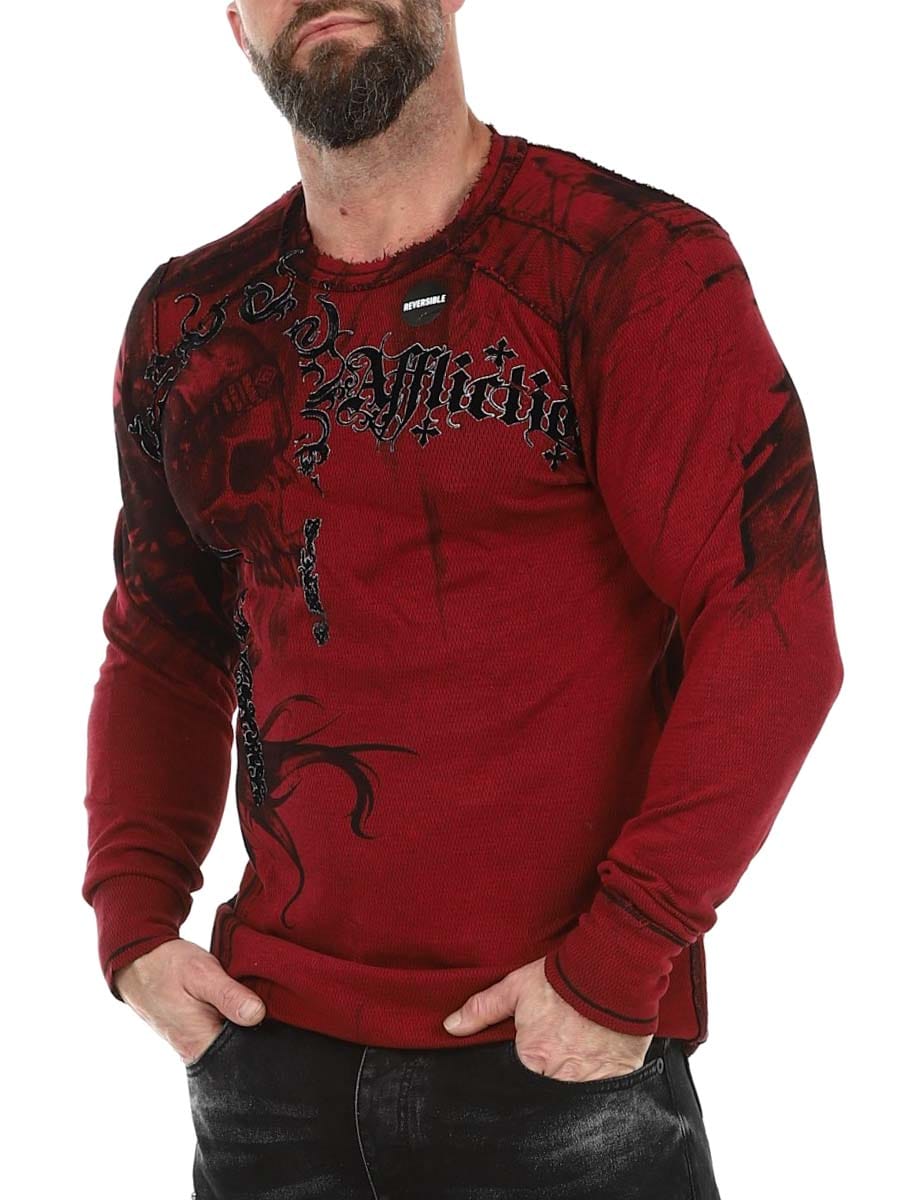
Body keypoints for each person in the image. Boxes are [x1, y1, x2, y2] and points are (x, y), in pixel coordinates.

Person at [81, 2, 844, 1197]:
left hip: (555, 1064)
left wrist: (621, 960)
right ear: (235, 21)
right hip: (269, 1070)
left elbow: (772, 627)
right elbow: (164, 641)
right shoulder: (192, 323)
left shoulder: (630, 265)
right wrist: (133, 923)